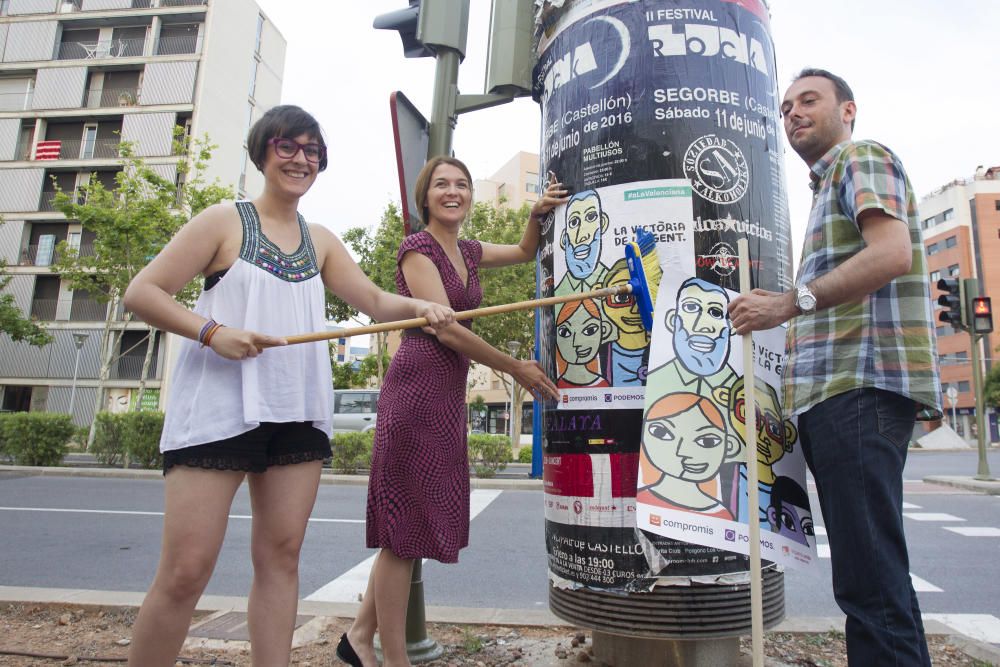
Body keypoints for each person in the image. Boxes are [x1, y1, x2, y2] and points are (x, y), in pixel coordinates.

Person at [121, 105, 454, 667]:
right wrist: (212, 331)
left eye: (312, 150)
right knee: (186, 571)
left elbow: (373, 301)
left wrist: (423, 305)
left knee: (282, 557)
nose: (301, 159)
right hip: (216, 411)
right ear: (263, 152)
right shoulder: (222, 221)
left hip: (295, 411)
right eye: (288, 146)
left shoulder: (319, 239)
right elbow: (142, 292)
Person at [728, 69, 942, 666]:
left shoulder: (860, 158)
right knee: (872, 576)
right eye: (786, 106)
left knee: (868, 580)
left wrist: (788, 301)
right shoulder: (827, 191)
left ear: (848, 110)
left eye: (810, 101)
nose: (793, 112)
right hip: (837, 395)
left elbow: (892, 253)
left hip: (859, 386)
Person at [338, 157, 564, 667]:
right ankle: (392, 658)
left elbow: (528, 251)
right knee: (404, 530)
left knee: (410, 524)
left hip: (445, 395)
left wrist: (537, 211)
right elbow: (446, 327)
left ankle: (357, 635)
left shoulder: (469, 250)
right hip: (416, 390)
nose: (453, 191)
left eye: (462, 184)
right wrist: (515, 367)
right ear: (426, 197)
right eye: (442, 184)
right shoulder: (418, 249)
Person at [637, 391, 741, 519]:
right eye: (661, 432)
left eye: (707, 441)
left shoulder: (721, 515)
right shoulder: (642, 501)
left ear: (728, 446)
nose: (683, 452)